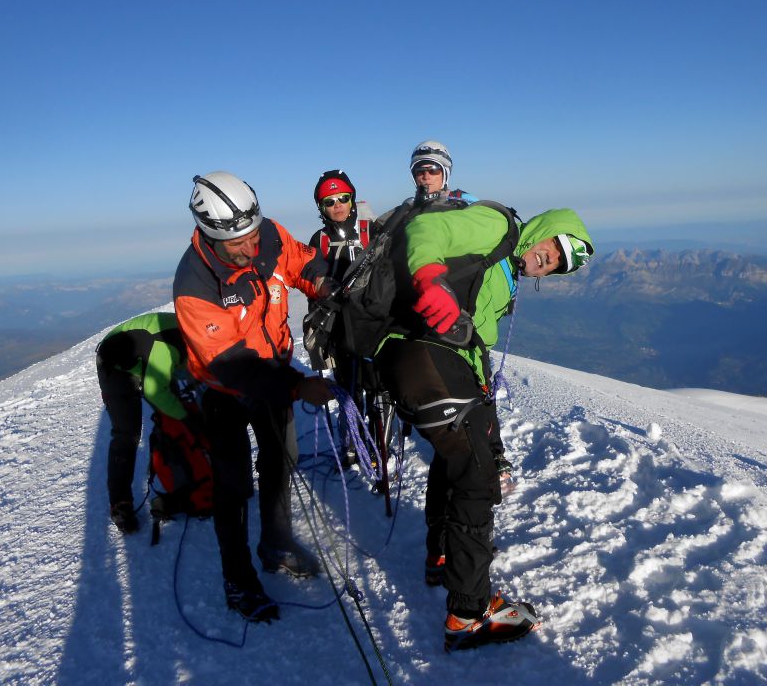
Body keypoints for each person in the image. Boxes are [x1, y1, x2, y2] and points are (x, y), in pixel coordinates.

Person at [375, 140, 594, 651]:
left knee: (462, 460)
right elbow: (425, 228)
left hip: (428, 359)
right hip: (420, 352)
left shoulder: (504, 270)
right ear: (545, 229)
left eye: (559, 264)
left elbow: (473, 345)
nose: (549, 261)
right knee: (474, 477)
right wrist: (431, 286)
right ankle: (468, 615)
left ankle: (443, 558)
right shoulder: (499, 227)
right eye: (555, 246)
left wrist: (491, 429)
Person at [173, 171, 335, 623]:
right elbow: (230, 363)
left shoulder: (266, 233)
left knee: (282, 458)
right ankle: (238, 579)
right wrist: (297, 386)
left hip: (274, 369)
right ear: (210, 234)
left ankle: (276, 543)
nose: (250, 248)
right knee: (233, 486)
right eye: (237, 244)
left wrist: (325, 284)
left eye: (252, 236)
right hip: (223, 389)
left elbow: (302, 263)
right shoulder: (194, 284)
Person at [95, 311, 194, 534]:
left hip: (143, 354)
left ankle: (185, 471)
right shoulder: (168, 345)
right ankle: (120, 505)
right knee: (127, 434)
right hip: (115, 364)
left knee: (174, 412)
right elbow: (155, 392)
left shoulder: (194, 332)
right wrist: (187, 418)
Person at [307, 169, 377, 465]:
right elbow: (312, 281)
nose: (337, 205)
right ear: (321, 208)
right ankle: (353, 436)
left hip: (374, 320)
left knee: (376, 385)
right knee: (350, 384)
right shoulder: (318, 239)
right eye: (329, 201)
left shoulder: (372, 229)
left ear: (353, 198)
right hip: (339, 325)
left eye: (343, 198)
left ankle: (375, 437)